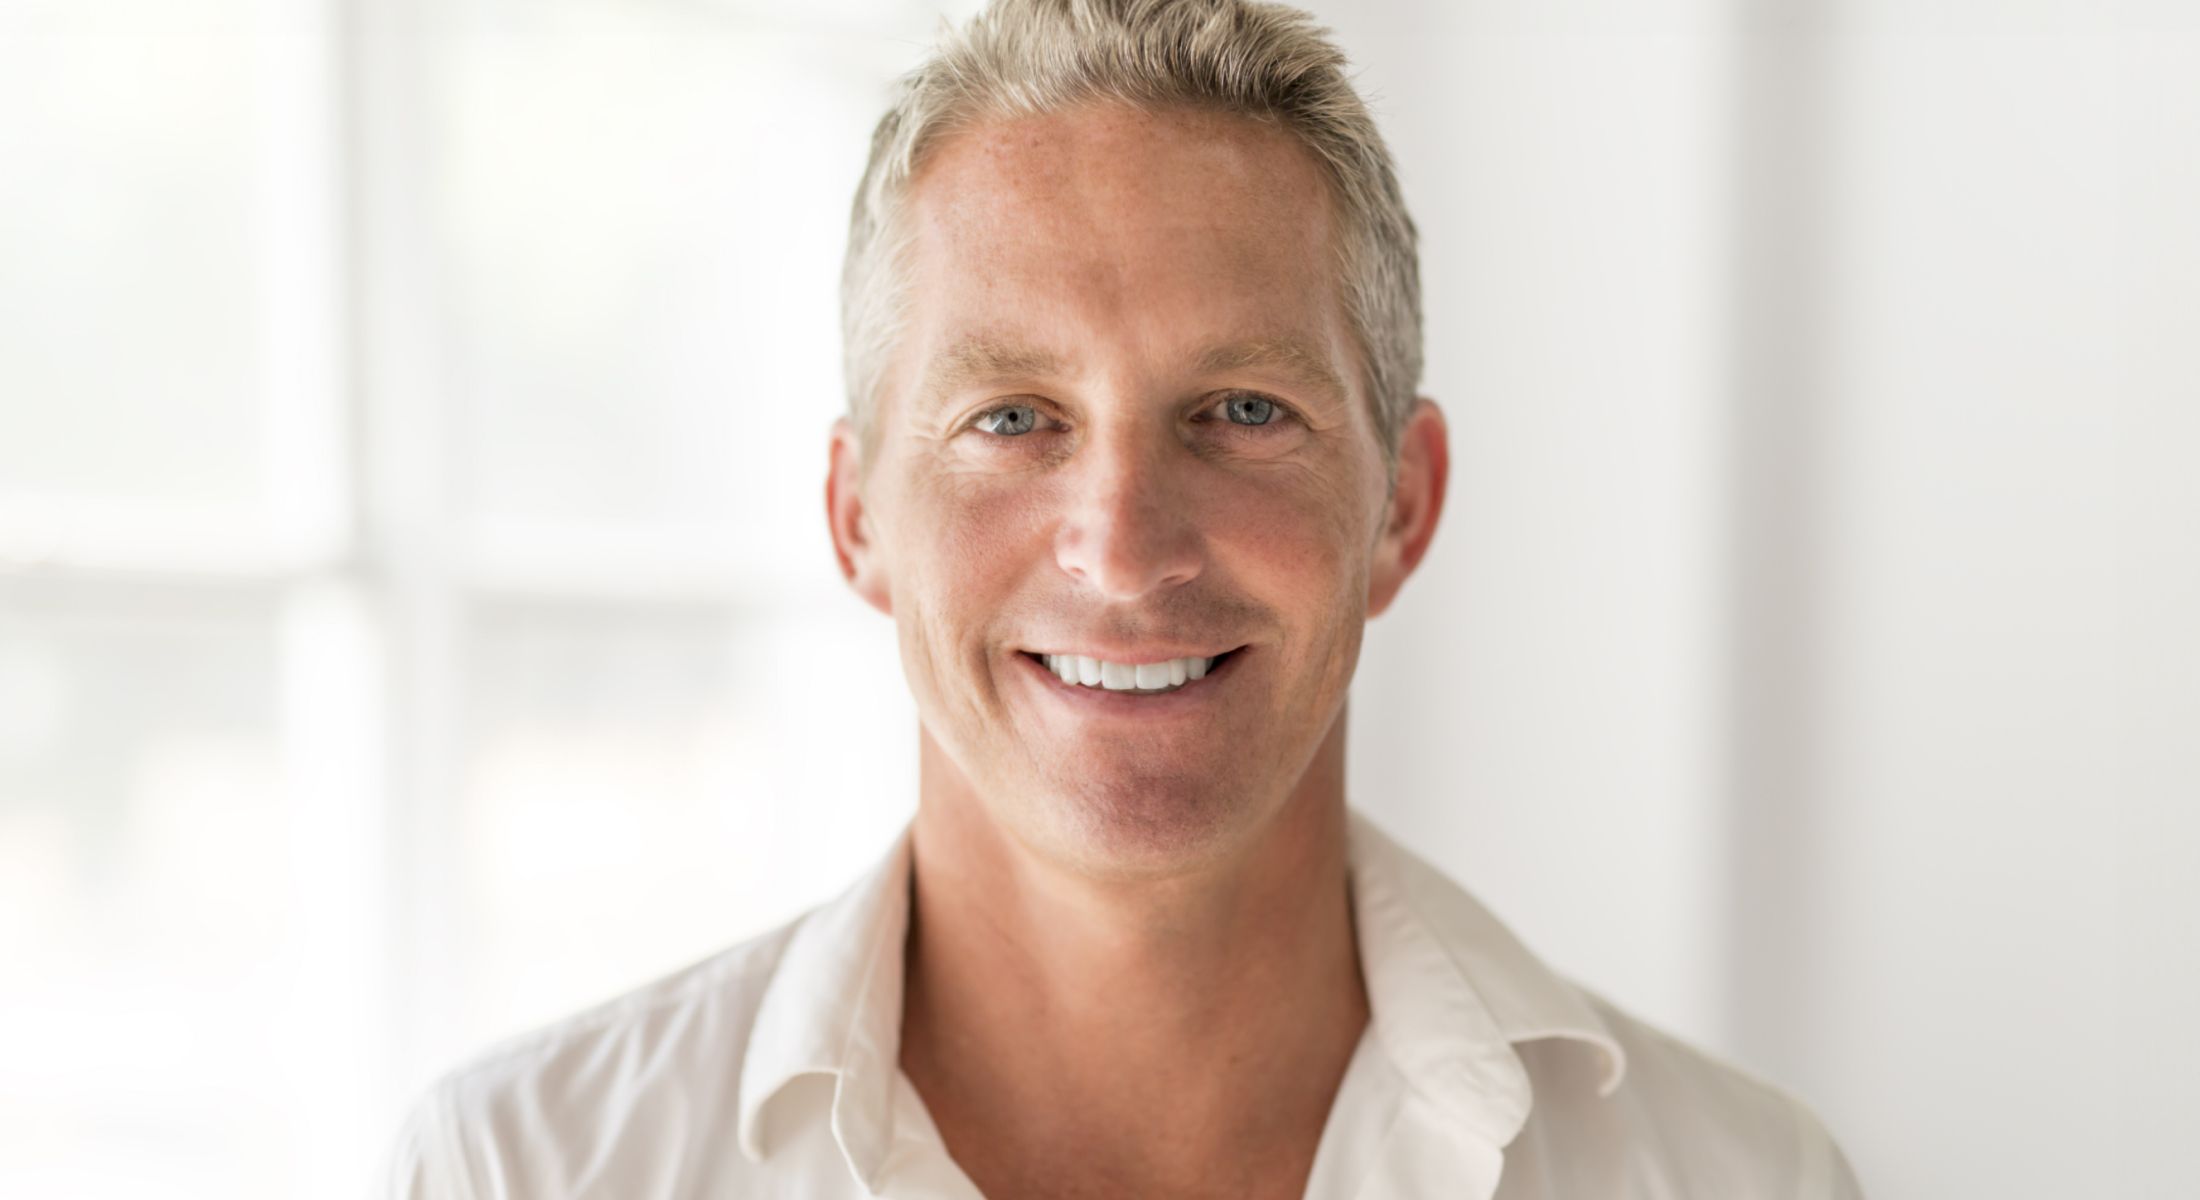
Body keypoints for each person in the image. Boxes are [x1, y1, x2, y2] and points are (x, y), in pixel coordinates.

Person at [384, 1, 1864, 1196]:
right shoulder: (519, 1173)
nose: (1124, 544)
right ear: (859, 519)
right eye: (1014, 418)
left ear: (1401, 503)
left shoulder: (1738, 1181)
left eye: (1239, 408)